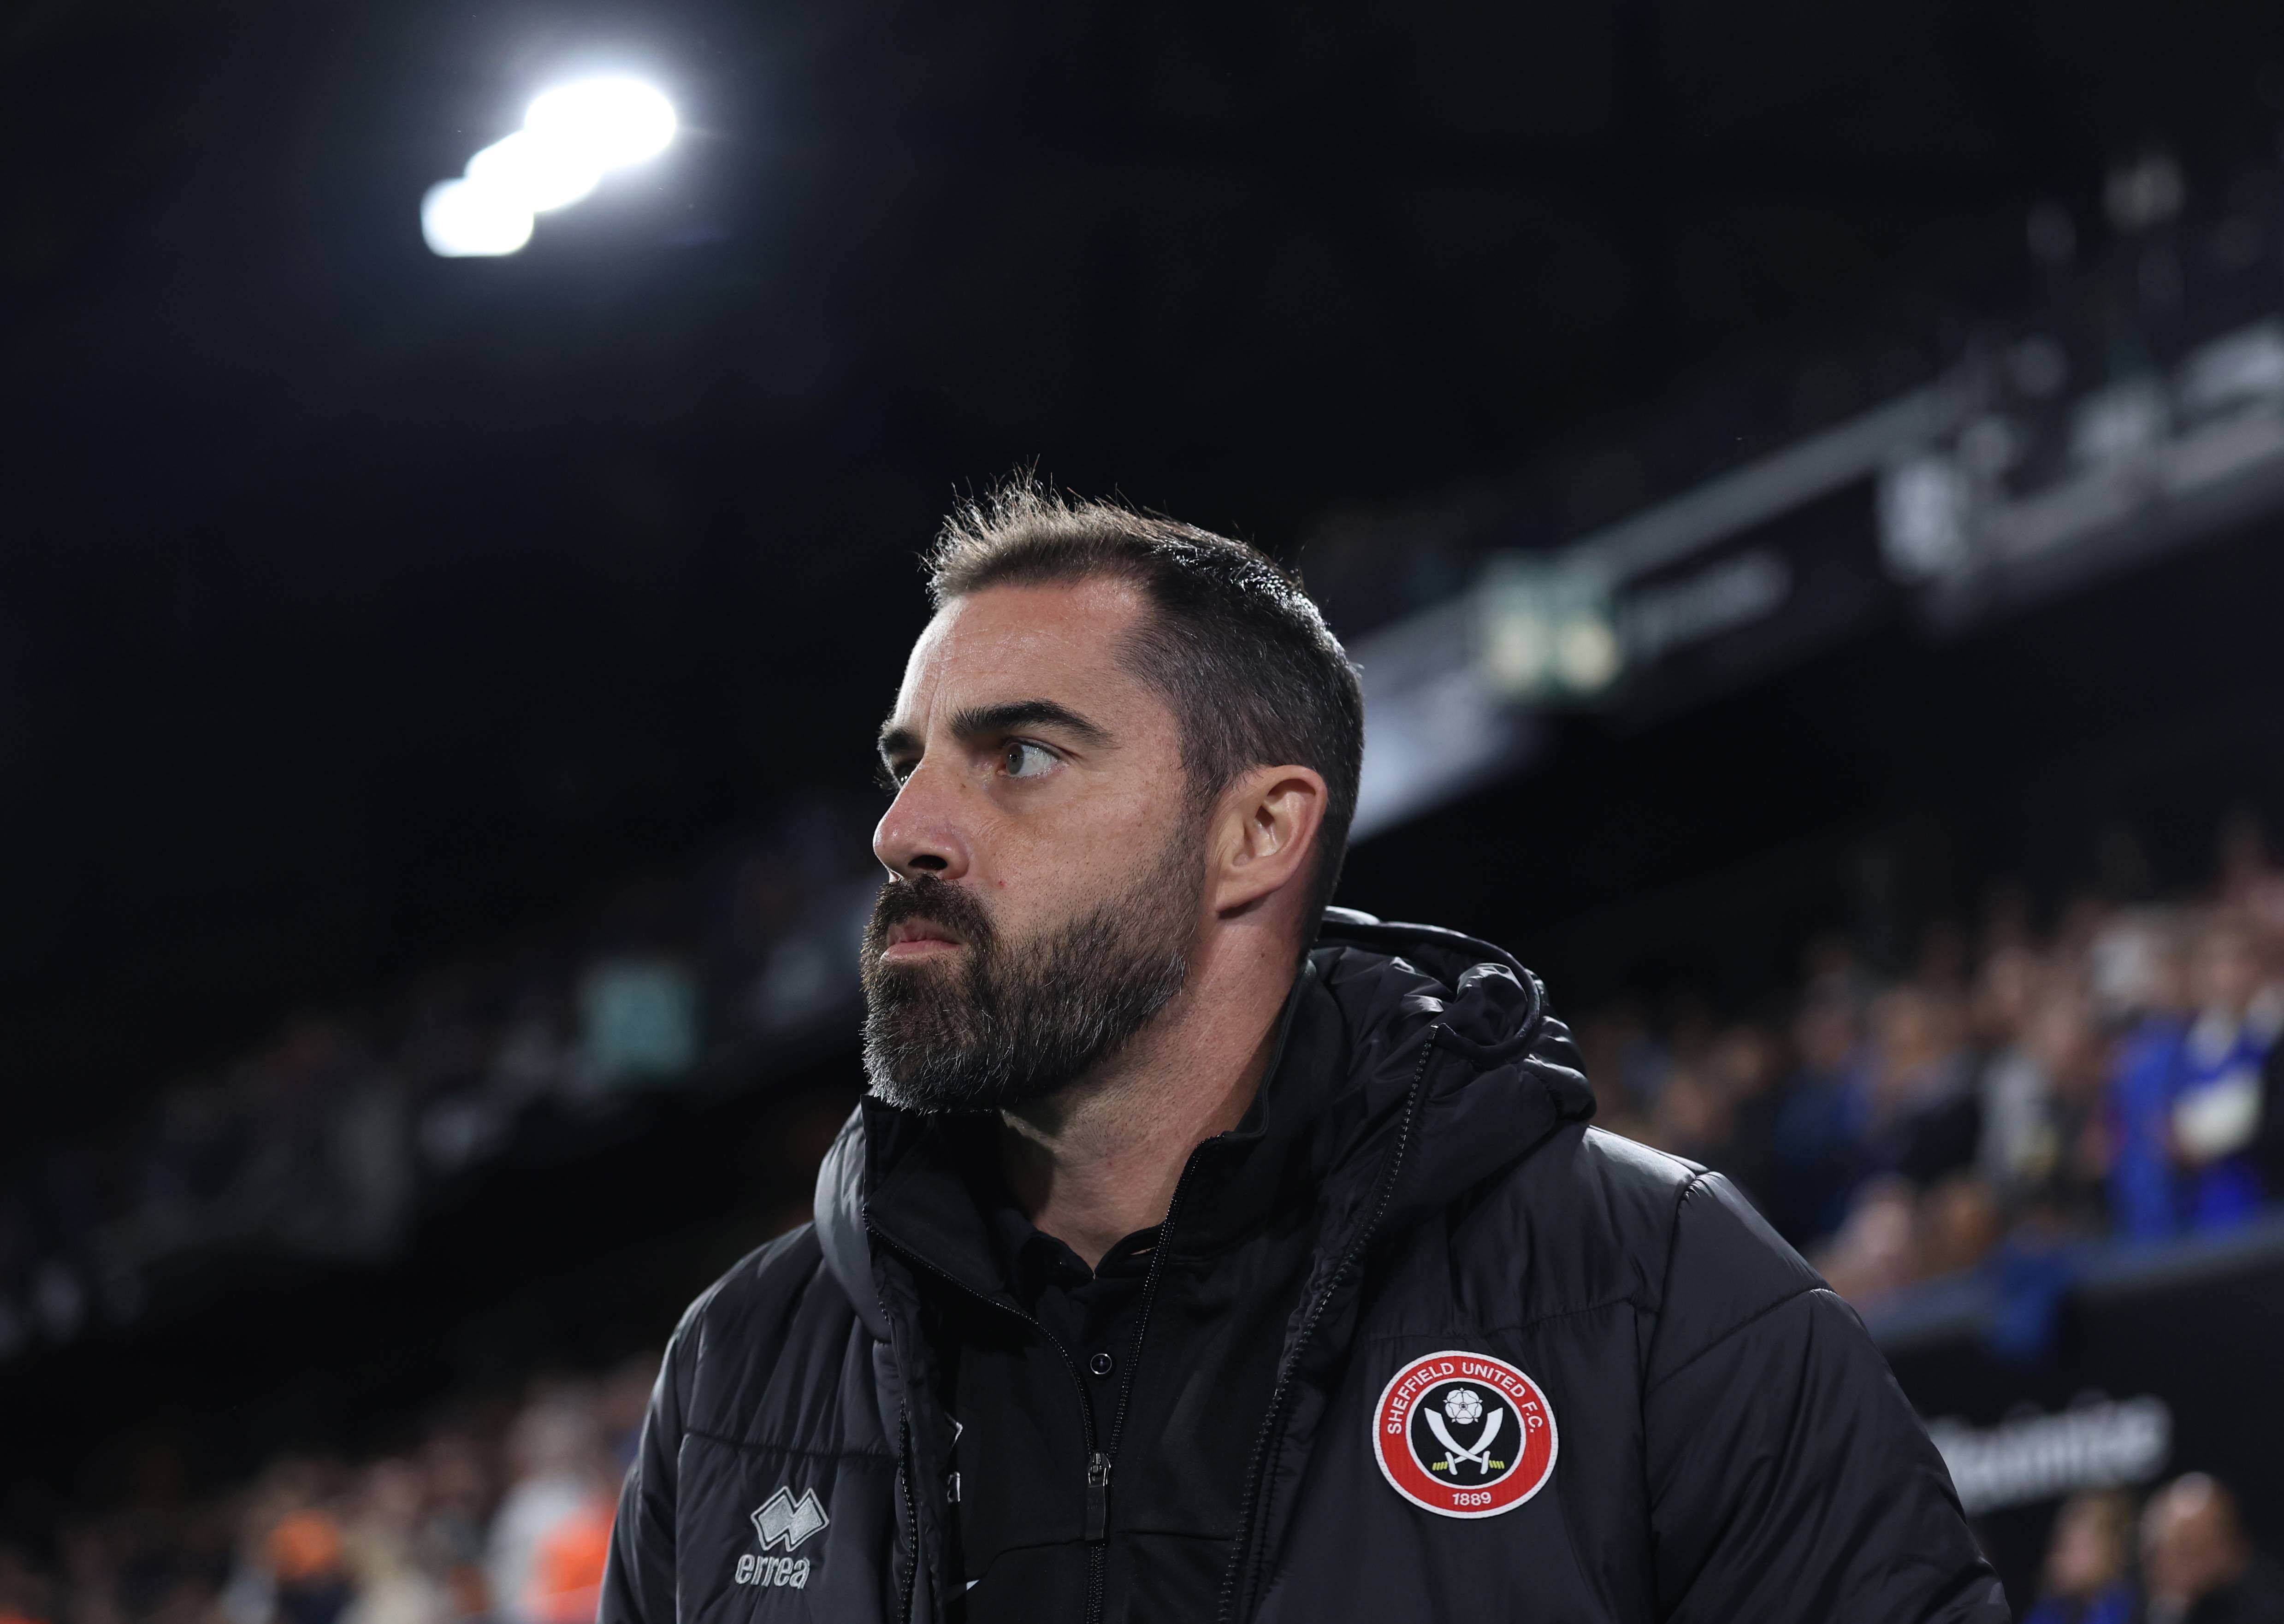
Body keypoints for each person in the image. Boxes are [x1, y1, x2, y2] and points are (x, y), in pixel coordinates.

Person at [600, 482, 2003, 1624]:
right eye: (908, 763)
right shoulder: (745, 1365)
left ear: (1257, 832)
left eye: (1019, 755)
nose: (904, 831)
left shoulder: (1657, 1290)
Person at [2142, 1474, 2284, 1624]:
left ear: (2235, 1549)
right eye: (2175, 1549)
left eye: (2198, 1550)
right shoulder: (2136, 1605)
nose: (2186, 1565)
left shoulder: (2267, 1610)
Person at [2023, 1490, 2135, 1624]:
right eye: (2057, 1546)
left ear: (2110, 1548)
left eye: (2071, 1547)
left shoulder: (2135, 1610)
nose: (2056, 1559)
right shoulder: (2048, 1610)